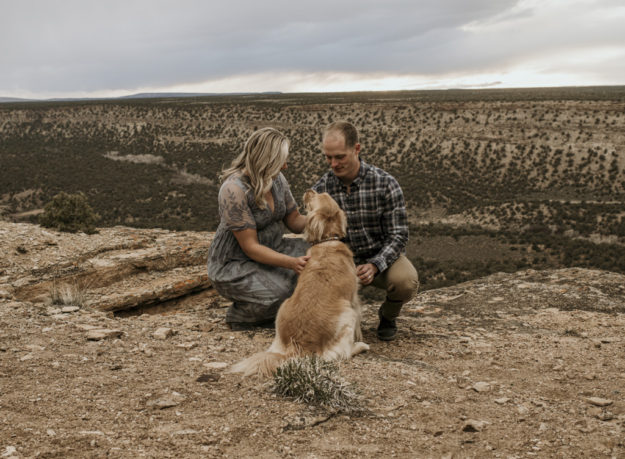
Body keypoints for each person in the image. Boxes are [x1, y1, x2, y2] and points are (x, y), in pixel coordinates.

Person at [312, 120, 419, 341]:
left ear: (356, 149)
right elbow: (317, 238)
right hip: (342, 262)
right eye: (328, 157)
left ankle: (388, 316)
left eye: (340, 156)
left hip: (380, 258)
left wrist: (375, 265)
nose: (333, 164)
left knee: (405, 282)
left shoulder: (386, 184)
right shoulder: (321, 189)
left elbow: (399, 234)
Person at [207, 127, 309, 330]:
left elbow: (295, 220)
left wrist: (325, 218)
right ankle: (242, 317)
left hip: (275, 247)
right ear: (267, 160)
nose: (286, 166)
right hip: (235, 261)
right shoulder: (233, 190)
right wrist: (292, 263)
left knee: (320, 256)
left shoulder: (277, 179)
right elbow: (251, 247)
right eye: (282, 160)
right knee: (280, 292)